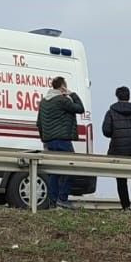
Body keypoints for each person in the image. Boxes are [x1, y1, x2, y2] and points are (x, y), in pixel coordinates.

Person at [36, 75, 85, 208]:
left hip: (49, 141)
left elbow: (39, 123)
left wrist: (44, 139)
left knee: (54, 172)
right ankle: (62, 199)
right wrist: (72, 93)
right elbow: (80, 108)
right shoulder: (62, 100)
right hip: (62, 140)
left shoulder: (44, 102)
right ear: (62, 86)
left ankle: (53, 202)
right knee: (70, 167)